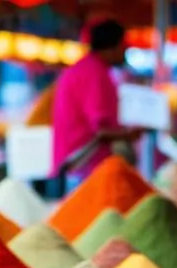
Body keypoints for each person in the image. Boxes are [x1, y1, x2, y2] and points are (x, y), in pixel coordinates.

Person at [51, 19, 140, 184]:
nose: (125, 51)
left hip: (74, 164)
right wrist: (132, 134)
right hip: (84, 166)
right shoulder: (95, 73)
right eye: (123, 46)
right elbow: (101, 130)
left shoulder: (83, 69)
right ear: (112, 47)